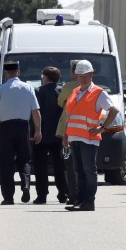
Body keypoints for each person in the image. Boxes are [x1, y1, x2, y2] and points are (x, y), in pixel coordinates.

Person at [63, 60, 120, 211]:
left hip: (89, 139)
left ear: (91, 75)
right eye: (80, 75)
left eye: (86, 75)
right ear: (77, 75)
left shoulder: (98, 93)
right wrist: (66, 135)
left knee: (89, 172)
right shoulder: (75, 92)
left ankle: (89, 201)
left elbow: (113, 110)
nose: (83, 78)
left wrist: (102, 128)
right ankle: (81, 200)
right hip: (75, 137)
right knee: (79, 171)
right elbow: (70, 116)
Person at [0, 61, 41, 205]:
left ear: (6, 74)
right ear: (18, 73)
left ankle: (8, 197)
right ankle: (25, 184)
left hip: (6, 128)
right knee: (24, 159)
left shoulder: (0, 90)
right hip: (23, 127)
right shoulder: (28, 88)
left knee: (6, 162)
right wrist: (38, 131)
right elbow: (35, 111)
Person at [32, 66, 68, 205]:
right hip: (58, 134)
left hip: (41, 134)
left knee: (40, 167)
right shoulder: (62, 91)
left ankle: (42, 195)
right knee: (59, 165)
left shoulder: (38, 91)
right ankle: (63, 194)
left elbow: (35, 113)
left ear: (45, 77)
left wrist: (33, 132)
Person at [55, 60, 80, 205]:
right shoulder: (93, 87)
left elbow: (60, 102)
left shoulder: (68, 86)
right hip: (86, 131)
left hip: (68, 130)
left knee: (69, 165)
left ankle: (73, 195)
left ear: (74, 72)